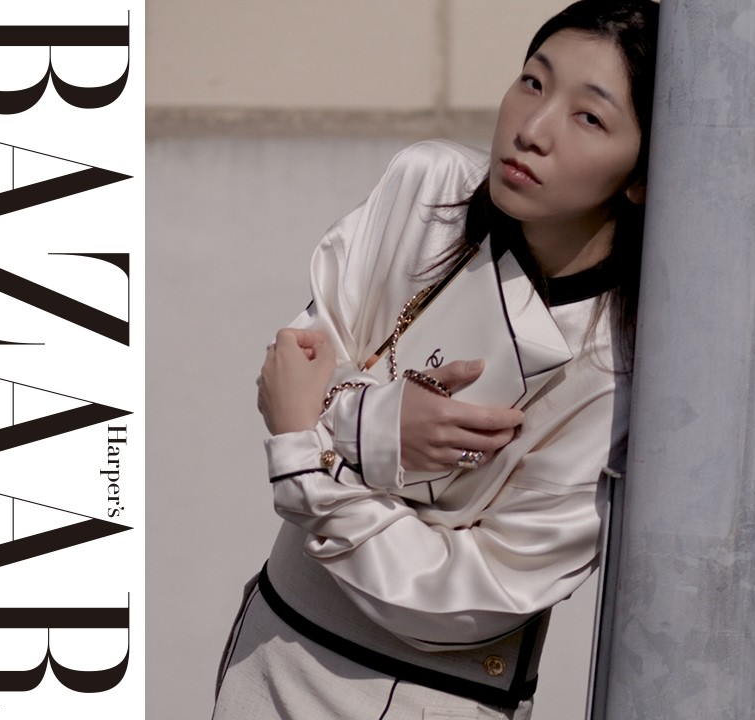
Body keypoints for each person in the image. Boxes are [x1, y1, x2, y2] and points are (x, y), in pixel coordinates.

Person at [211, 2, 660, 718]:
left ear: (640, 176)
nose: (533, 128)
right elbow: (290, 372)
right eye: (533, 82)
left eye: (589, 117)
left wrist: (312, 464)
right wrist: (377, 426)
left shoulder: (618, 366)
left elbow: (476, 596)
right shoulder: (429, 189)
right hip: (270, 648)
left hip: (428, 697)